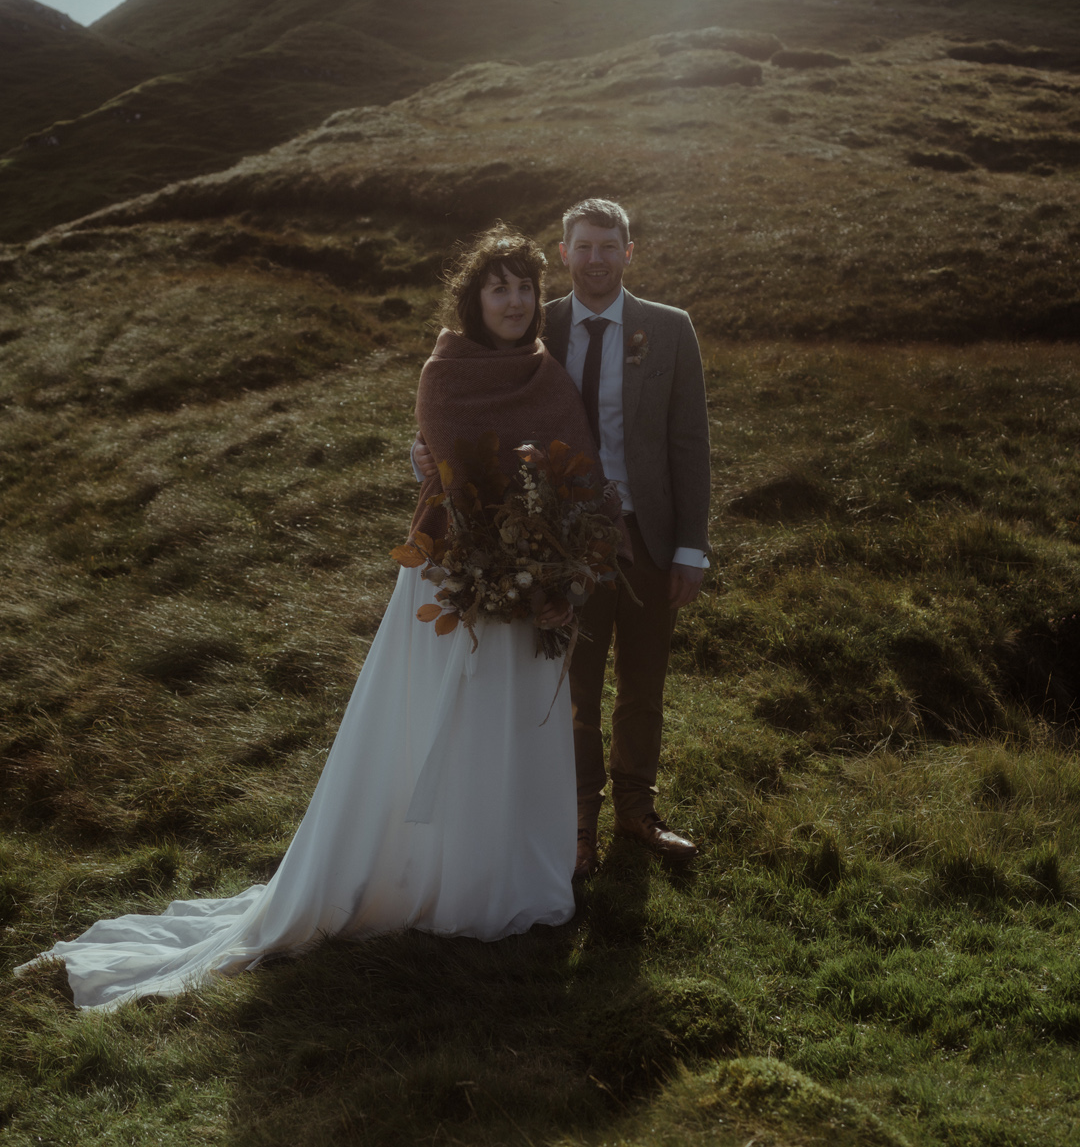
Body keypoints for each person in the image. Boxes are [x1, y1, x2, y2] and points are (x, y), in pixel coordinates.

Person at [17, 227, 606, 1012]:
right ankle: (430, 875)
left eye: (526, 288)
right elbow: (450, 474)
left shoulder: (548, 374)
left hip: (531, 588)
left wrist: (556, 564)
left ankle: (506, 871)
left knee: (513, 725)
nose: (514, 300)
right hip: (455, 578)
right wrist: (484, 546)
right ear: (474, 297)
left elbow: (578, 478)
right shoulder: (447, 371)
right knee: (446, 724)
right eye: (498, 286)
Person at [417, 200, 711, 878]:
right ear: (565, 252)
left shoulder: (669, 330)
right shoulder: (533, 321)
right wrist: (426, 451)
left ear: (629, 252)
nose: (598, 258)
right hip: (558, 542)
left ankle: (639, 811)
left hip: (649, 535)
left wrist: (691, 546)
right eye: (585, 247)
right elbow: (469, 390)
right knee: (569, 684)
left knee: (643, 682)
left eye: (611, 246)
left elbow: (689, 443)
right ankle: (577, 822)